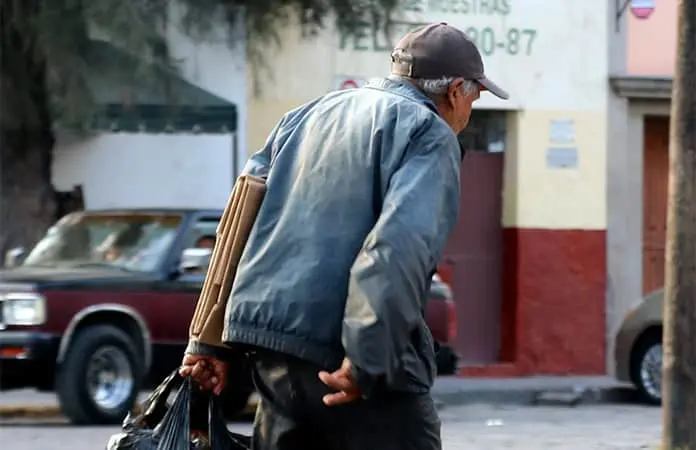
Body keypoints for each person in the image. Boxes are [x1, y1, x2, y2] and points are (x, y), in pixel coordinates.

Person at [181, 22, 508, 450]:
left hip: (273, 356)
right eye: (475, 98)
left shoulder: (305, 115)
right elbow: (397, 248)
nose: (469, 113)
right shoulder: (429, 133)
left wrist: (207, 342)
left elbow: (239, 219)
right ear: (455, 91)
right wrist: (368, 357)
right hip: (346, 360)